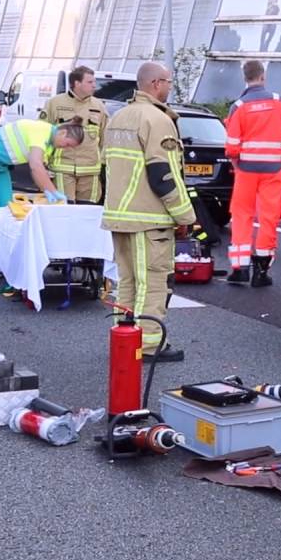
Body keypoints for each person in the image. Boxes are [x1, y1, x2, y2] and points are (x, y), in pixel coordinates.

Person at [101, 62, 196, 363]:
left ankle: (123, 340)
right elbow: (162, 174)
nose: (170, 87)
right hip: (149, 218)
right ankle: (149, 346)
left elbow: (106, 170)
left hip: (120, 215)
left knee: (127, 282)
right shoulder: (157, 120)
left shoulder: (118, 117)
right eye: (168, 81)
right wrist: (186, 217)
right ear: (156, 83)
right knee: (152, 283)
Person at [0, 119, 84, 277]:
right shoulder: (41, 132)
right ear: (63, 132)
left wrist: (49, 193)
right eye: (67, 144)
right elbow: (35, 165)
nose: (65, 148)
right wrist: (53, 191)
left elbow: (41, 173)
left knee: (6, 209)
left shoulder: (49, 145)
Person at [224, 60, 281, 288]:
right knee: (269, 217)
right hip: (274, 170)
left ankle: (240, 268)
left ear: (245, 78)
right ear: (263, 76)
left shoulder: (239, 106)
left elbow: (232, 145)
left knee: (242, 214)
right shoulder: (279, 102)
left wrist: (237, 161)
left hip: (245, 170)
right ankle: (262, 271)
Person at [40, 65, 108, 203]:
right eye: (90, 82)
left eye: (94, 82)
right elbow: (42, 134)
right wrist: (43, 162)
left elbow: (105, 138)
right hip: (62, 171)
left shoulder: (99, 106)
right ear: (77, 83)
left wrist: (104, 165)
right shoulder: (55, 103)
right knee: (64, 210)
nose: (94, 86)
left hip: (90, 173)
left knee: (88, 212)